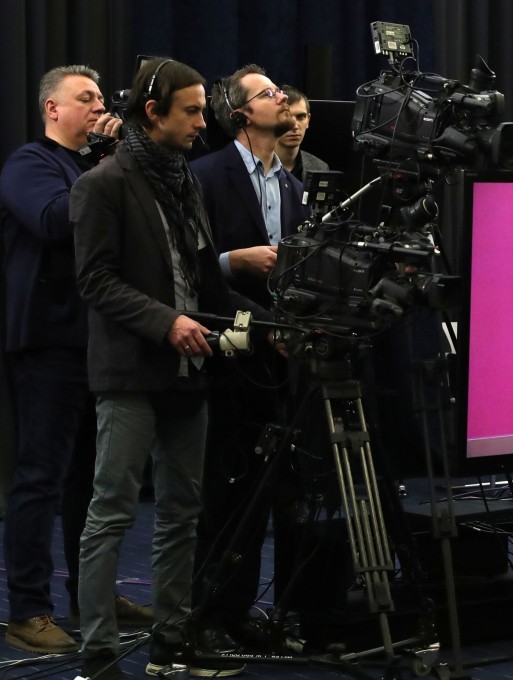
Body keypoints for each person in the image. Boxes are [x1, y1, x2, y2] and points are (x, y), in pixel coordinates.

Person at [71, 57, 264, 679]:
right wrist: (166, 321)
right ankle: (99, 653)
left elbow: (208, 283)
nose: (202, 122)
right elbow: (95, 280)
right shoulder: (102, 184)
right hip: (129, 374)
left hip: (190, 374)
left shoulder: (185, 183)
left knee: (183, 512)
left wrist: (271, 327)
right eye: (191, 111)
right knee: (112, 514)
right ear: (153, 114)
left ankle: (172, 642)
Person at [0, 64, 152, 656]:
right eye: (83, 98)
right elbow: (51, 220)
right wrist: (112, 166)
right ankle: (28, 608)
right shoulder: (29, 164)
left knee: (95, 481)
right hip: (47, 340)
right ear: (51, 110)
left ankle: (94, 595)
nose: (96, 107)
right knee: (41, 475)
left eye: (98, 98)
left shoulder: (96, 167)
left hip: (99, 342)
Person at [190, 64, 306, 651]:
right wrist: (232, 262)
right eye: (267, 93)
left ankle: (239, 610)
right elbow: (183, 267)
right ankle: (204, 613)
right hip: (224, 349)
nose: (280, 97)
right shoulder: (205, 175)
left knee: (263, 489)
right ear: (240, 114)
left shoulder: (289, 183)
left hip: (275, 358)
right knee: (221, 489)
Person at [275, 85, 329, 183]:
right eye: (286, 117)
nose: (294, 126)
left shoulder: (319, 168)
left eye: (300, 117)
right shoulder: (256, 166)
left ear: (308, 120)